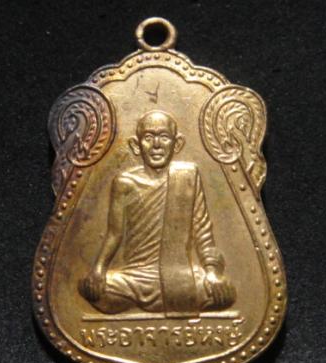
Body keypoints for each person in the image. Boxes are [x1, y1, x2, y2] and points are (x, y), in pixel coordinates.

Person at [78, 110, 236, 317]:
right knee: (94, 290)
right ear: (136, 145)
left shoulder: (187, 177)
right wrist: (98, 270)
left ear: (177, 144)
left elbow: (203, 233)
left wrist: (213, 273)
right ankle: (170, 301)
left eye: (164, 137)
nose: (156, 145)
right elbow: (114, 234)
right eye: (148, 137)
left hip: (180, 274)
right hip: (136, 277)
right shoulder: (125, 183)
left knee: (226, 294)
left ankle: (160, 300)